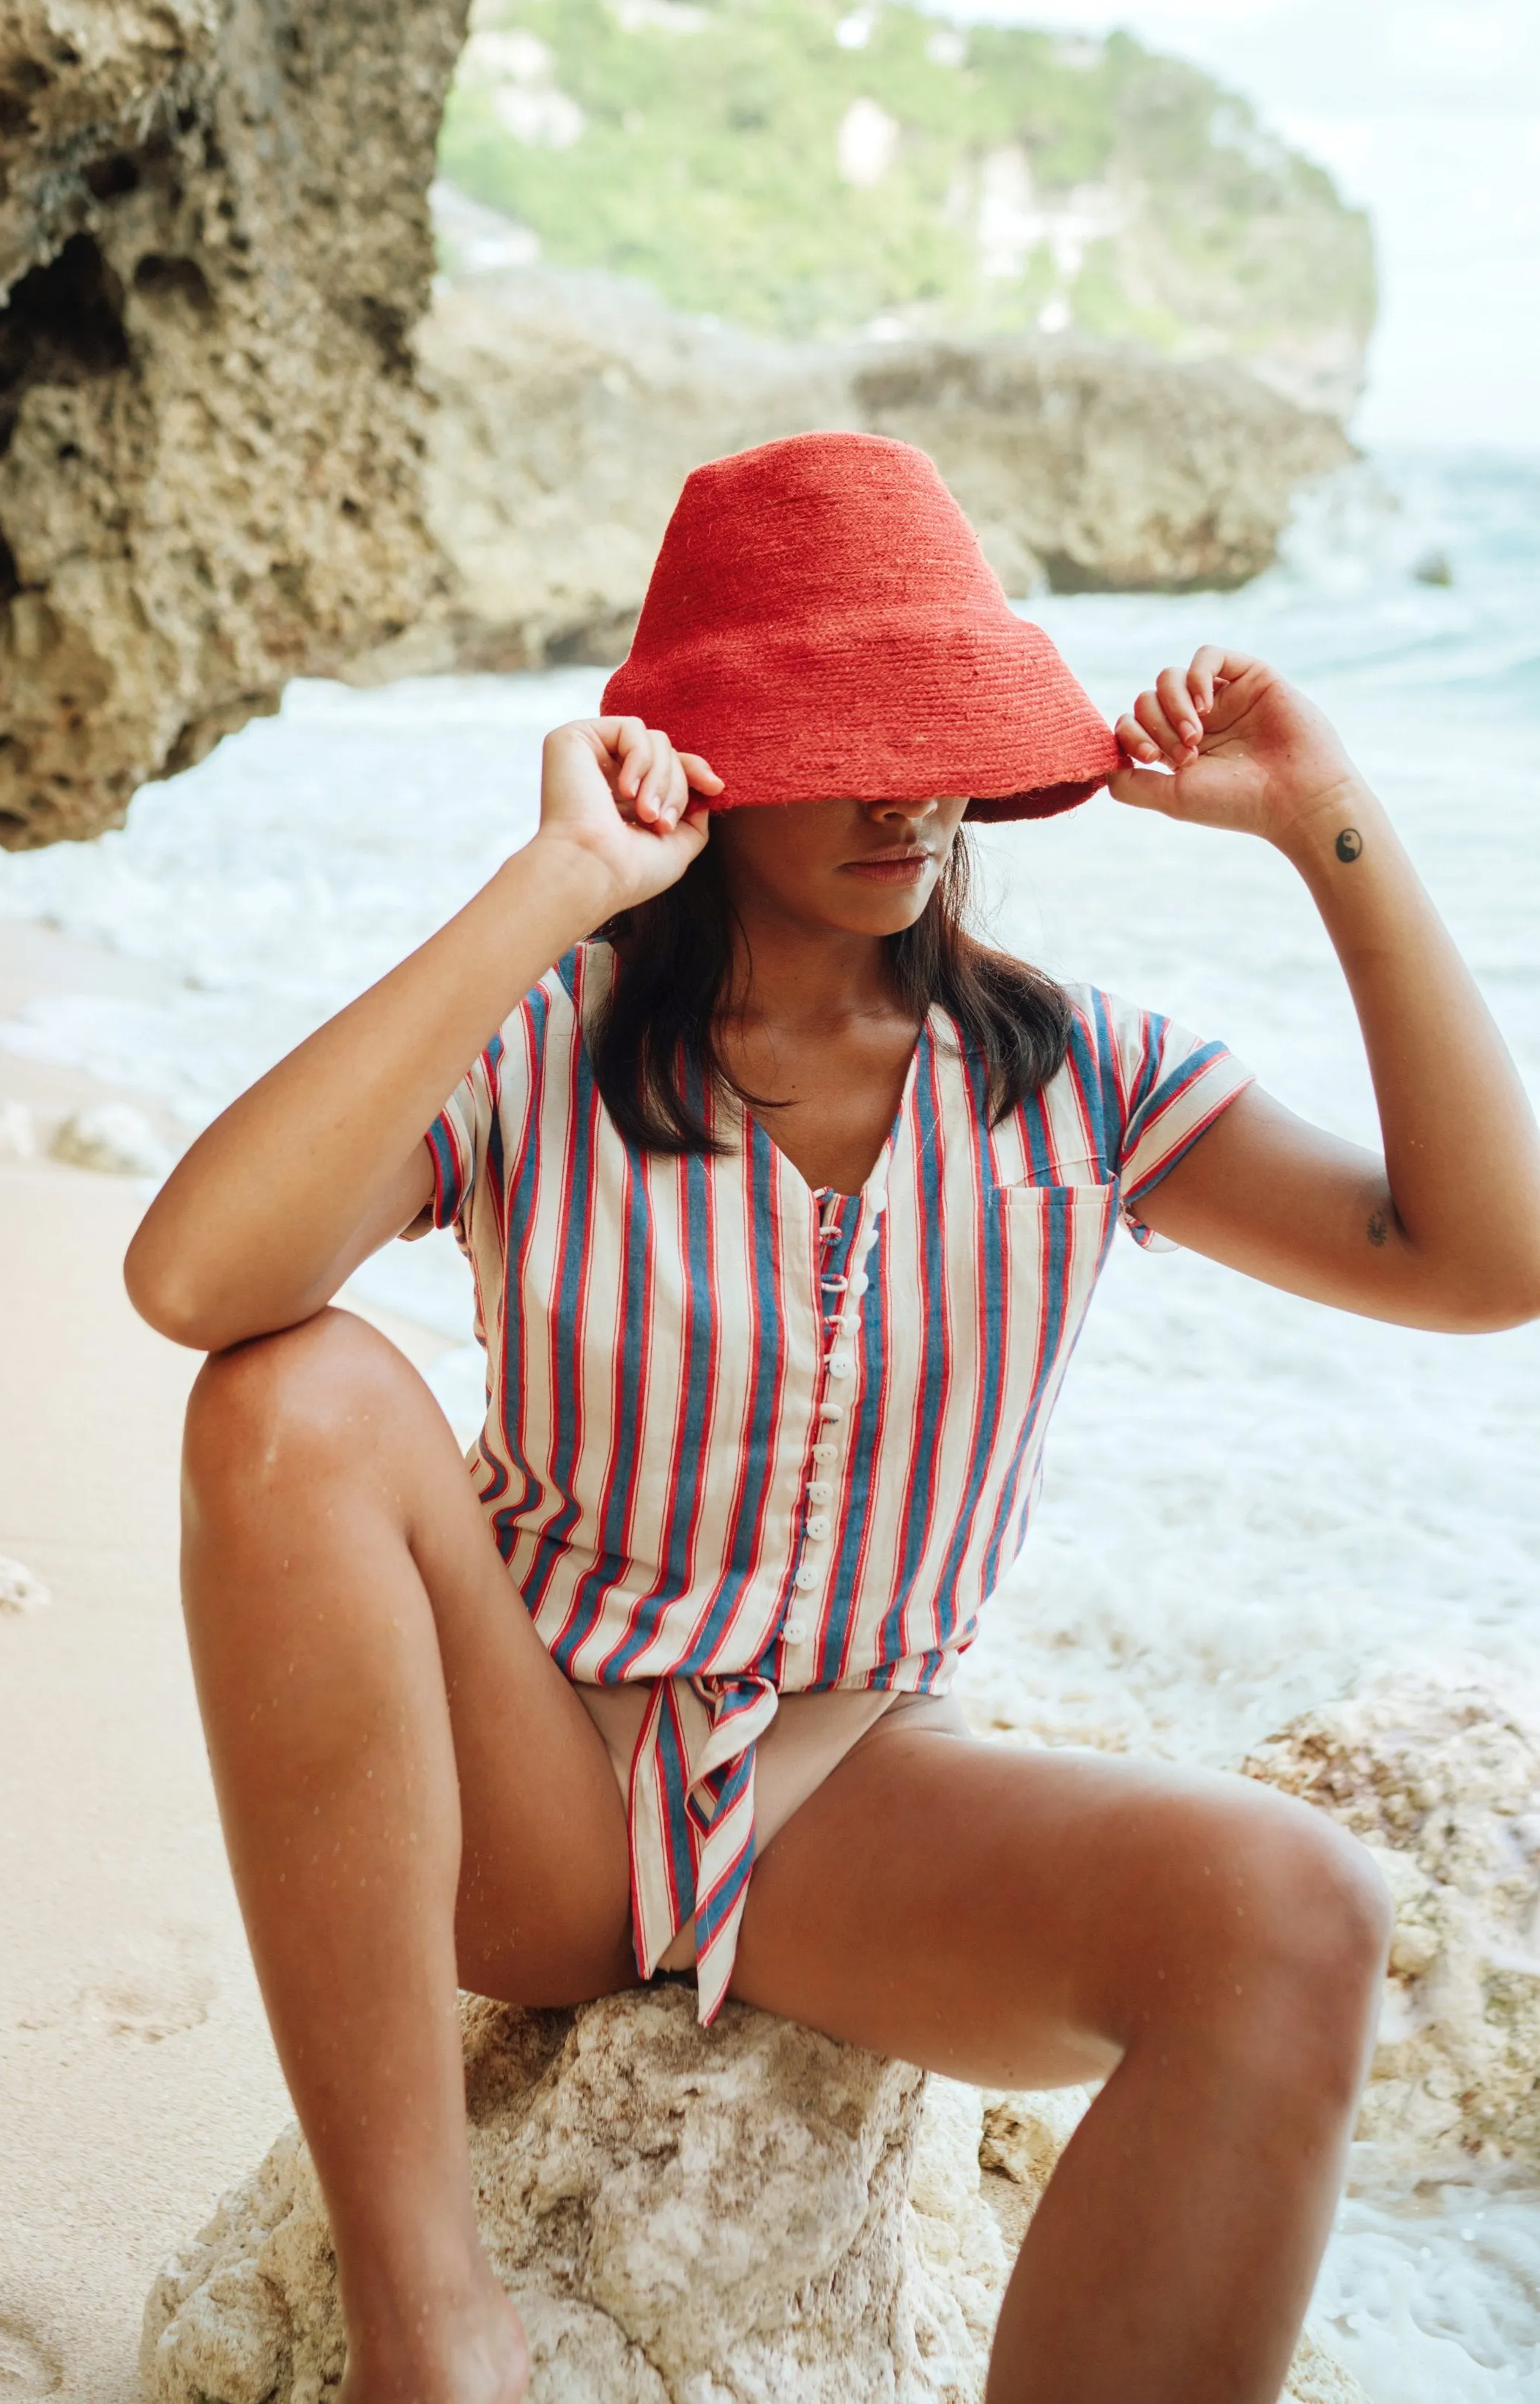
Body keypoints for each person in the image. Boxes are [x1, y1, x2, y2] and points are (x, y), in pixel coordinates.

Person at [124, 433, 1540, 2404]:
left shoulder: (1074, 1076)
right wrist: (553, 887)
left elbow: (1473, 1260)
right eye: (845, 730)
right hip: (524, 1785)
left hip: (849, 1802)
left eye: (941, 728)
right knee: (287, 1394)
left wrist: (1328, 826)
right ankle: (425, 2322)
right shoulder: (551, 1047)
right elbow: (198, 1282)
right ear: (712, 751)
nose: (911, 789)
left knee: (1294, 1909)